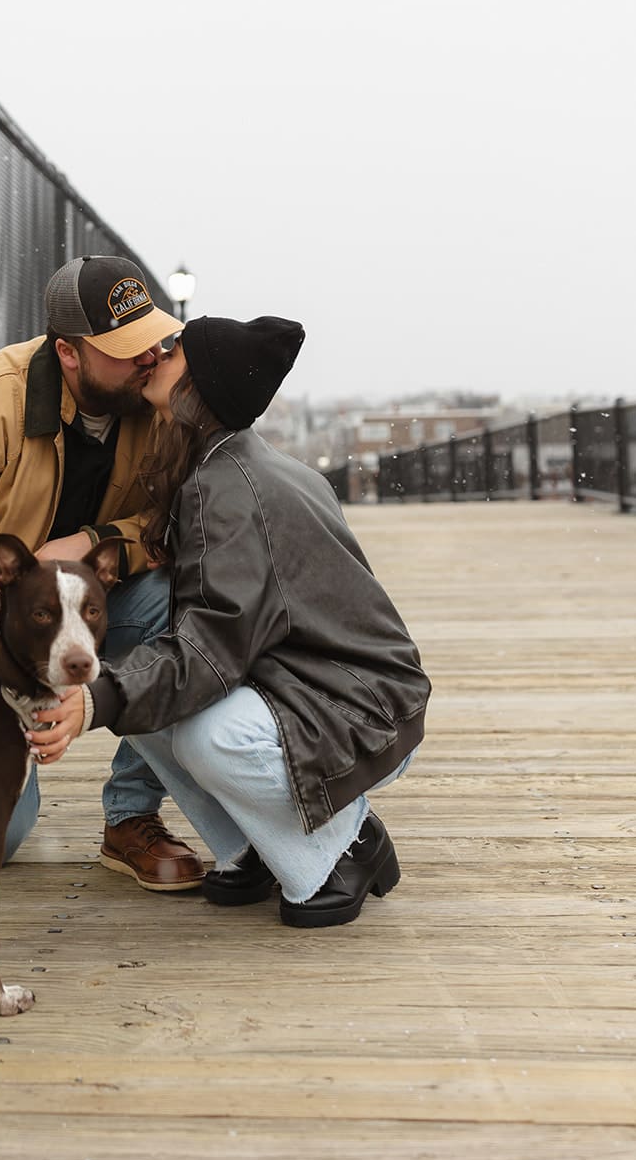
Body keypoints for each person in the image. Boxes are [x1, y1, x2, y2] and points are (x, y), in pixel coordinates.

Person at [28, 314, 431, 927]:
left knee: (204, 733)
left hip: (362, 707)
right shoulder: (226, 465)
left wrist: (96, 699)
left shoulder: (230, 488)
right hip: (307, 683)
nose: (155, 354)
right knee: (142, 708)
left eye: (175, 351)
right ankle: (254, 849)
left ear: (200, 388)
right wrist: (110, 695)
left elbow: (211, 649)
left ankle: (344, 846)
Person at [0, 254, 205, 890]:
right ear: (69, 353)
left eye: (153, 338)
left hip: (96, 610)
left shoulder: (158, 403)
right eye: (127, 347)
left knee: (179, 602)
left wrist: (91, 541)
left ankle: (132, 817)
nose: (150, 357)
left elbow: (173, 522)